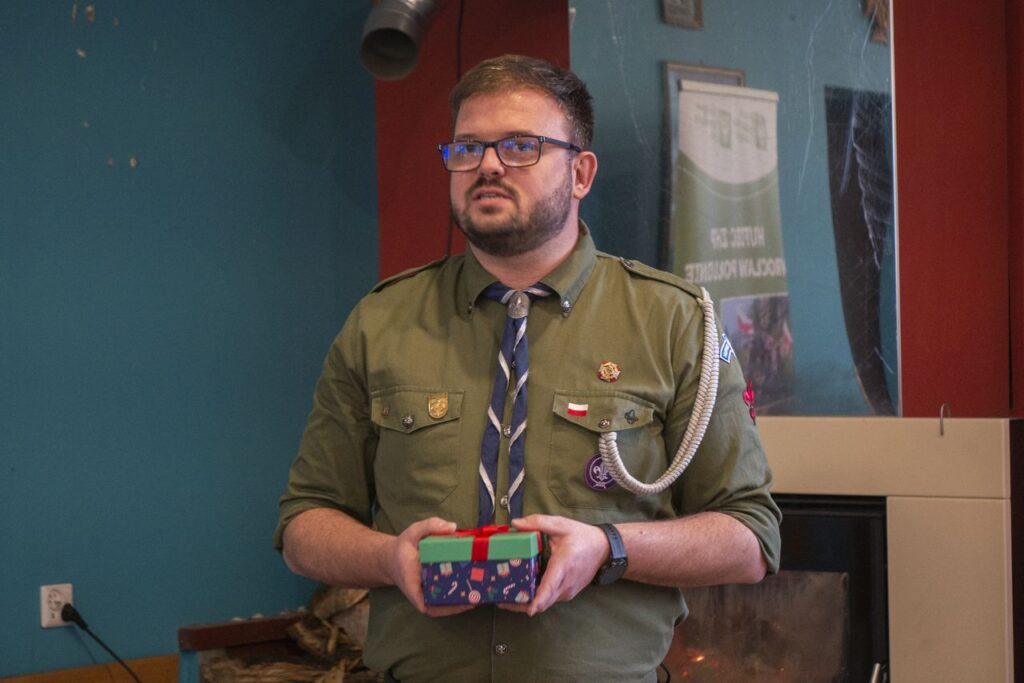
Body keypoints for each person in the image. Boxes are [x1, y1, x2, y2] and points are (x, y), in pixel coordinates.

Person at [275, 54, 781, 682]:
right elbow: (304, 525)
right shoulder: (380, 322)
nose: (487, 165)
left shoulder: (674, 322)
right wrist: (388, 558)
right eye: (467, 148)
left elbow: (750, 537)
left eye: (520, 146)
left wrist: (608, 547)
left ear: (580, 172)